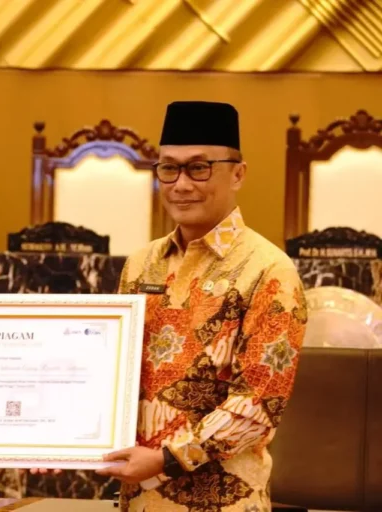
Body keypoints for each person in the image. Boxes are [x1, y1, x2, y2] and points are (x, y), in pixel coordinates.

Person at [95, 101, 308, 511]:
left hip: (224, 500)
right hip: (138, 499)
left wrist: (169, 459)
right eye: (168, 168)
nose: (181, 184)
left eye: (198, 168)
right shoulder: (141, 264)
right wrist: (60, 440)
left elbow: (259, 402)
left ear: (238, 173)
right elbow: (114, 373)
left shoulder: (268, 270)